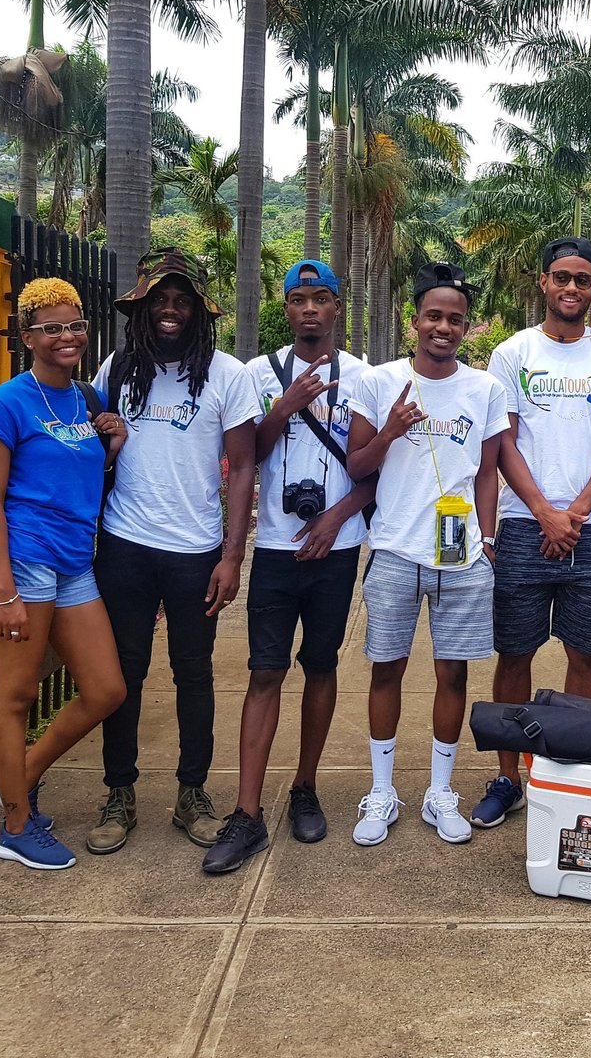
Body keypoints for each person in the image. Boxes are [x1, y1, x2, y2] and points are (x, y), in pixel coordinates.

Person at [203, 261, 375, 874]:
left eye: (321, 299)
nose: (309, 309)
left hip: (337, 546)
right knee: (265, 672)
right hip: (276, 547)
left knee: (322, 667)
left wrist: (334, 520)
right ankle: (247, 813)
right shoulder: (258, 374)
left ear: (337, 307)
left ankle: (305, 786)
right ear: (285, 307)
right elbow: (243, 457)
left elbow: (370, 470)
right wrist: (287, 405)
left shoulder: (363, 377)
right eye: (298, 299)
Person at [86, 249, 259, 856]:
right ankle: (120, 793)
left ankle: (191, 794)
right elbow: (97, 451)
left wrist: (232, 556)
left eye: (181, 300)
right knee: (124, 674)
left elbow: (242, 469)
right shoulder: (116, 368)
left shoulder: (228, 375)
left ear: (199, 311)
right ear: (142, 306)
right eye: (159, 299)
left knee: (194, 674)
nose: (169, 310)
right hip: (125, 546)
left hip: (194, 551)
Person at [473, 237, 591, 829]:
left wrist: (575, 513)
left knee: (586, 653)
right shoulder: (511, 354)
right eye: (562, 277)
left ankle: (576, 773)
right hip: (524, 526)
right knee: (514, 652)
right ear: (543, 283)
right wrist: (546, 511)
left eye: (584, 279)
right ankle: (508, 777)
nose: (573, 288)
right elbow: (503, 443)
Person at [0, 277, 127, 870]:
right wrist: (4, 591)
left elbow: (78, 478)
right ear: (27, 336)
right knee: (15, 696)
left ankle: (19, 776)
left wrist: (110, 444)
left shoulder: (82, 399)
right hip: (20, 563)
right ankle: (15, 824)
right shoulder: (6, 402)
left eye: (76, 324)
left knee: (106, 688)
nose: (68, 336)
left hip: (71, 563)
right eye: (52, 327)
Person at [347, 261, 508, 847]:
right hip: (394, 548)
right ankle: (382, 791)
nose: (444, 327)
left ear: (466, 328)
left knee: (452, 673)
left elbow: (488, 472)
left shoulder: (485, 388)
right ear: (414, 321)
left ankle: (441, 792)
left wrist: (487, 542)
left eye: (456, 320)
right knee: (385, 668)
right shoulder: (379, 381)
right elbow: (356, 466)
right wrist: (389, 431)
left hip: (462, 557)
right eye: (434, 316)